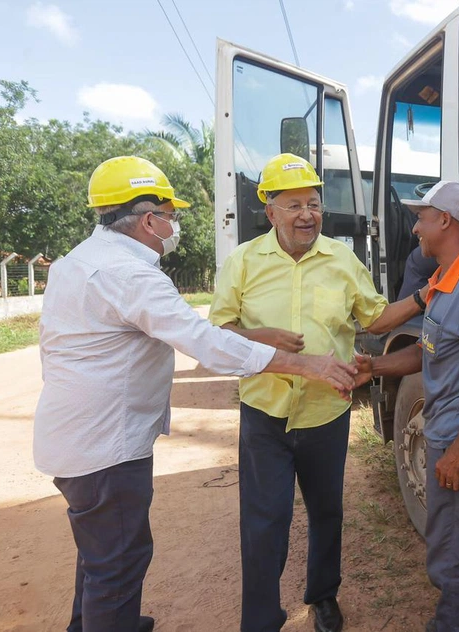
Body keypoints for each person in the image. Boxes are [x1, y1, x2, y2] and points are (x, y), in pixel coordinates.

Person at [33, 156, 357, 632]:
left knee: (100, 554)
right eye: (171, 215)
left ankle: (93, 623)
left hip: (76, 438)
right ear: (148, 219)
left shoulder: (76, 261)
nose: (175, 225)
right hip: (106, 447)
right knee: (117, 563)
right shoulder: (133, 275)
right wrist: (305, 364)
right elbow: (207, 340)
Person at [208, 153, 427, 632]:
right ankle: (261, 618)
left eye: (313, 203)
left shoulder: (342, 259)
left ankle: (323, 596)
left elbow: (373, 317)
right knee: (264, 524)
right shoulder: (243, 261)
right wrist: (264, 336)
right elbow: (219, 329)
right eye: (293, 205)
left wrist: (422, 297)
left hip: (327, 412)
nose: (307, 214)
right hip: (265, 413)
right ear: (270, 212)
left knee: (327, 511)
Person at [354, 181, 459, 632]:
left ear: (445, 221)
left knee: (448, 557)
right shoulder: (443, 280)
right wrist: (374, 365)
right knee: (457, 544)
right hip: (446, 433)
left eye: (422, 218)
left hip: (456, 439)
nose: (416, 230)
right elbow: (428, 351)